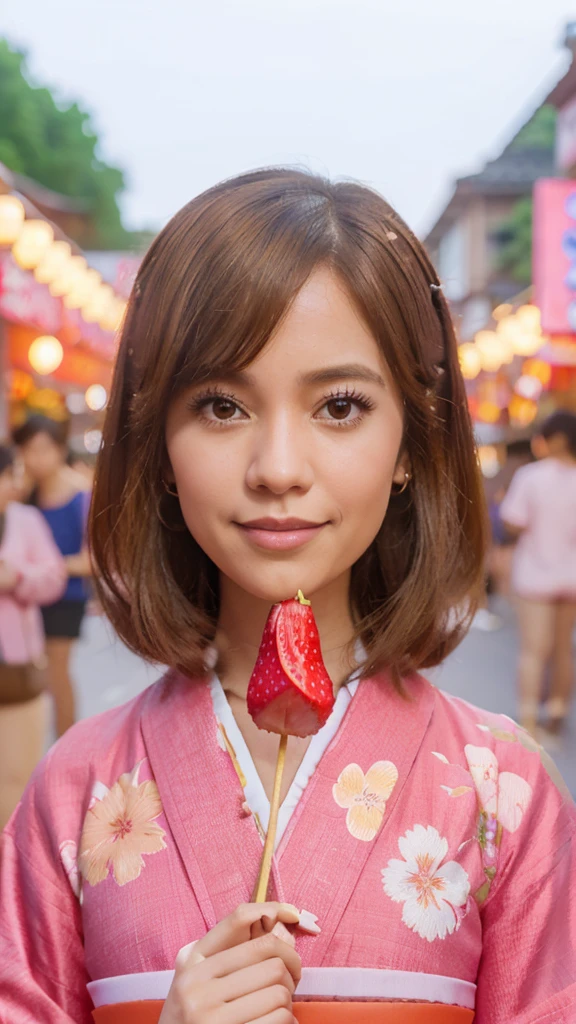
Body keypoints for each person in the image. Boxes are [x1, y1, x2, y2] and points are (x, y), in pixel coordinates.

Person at [1, 169, 575, 1024]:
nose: (277, 468)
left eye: (340, 406)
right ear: (159, 444)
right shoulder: (75, 792)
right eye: (221, 406)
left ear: (411, 442)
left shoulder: (505, 795)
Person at [12, 415, 92, 736]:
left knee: (57, 674)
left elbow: (93, 561)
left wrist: (48, 568)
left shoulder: (80, 494)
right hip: (29, 595)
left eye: (45, 449)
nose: (37, 458)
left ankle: (66, 741)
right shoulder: (24, 494)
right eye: (29, 450)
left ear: (60, 450)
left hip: (66, 597)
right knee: (34, 675)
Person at [0, 443, 66, 828]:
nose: (15, 484)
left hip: (16, 672)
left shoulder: (25, 520)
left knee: (15, 776)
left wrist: (17, 577)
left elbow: (53, 577)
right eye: (11, 474)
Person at [500, 411, 576, 739]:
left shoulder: (531, 476)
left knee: (533, 651)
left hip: (534, 577)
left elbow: (512, 521)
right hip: (571, 577)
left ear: (556, 438)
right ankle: (556, 715)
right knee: (563, 650)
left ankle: (528, 722)